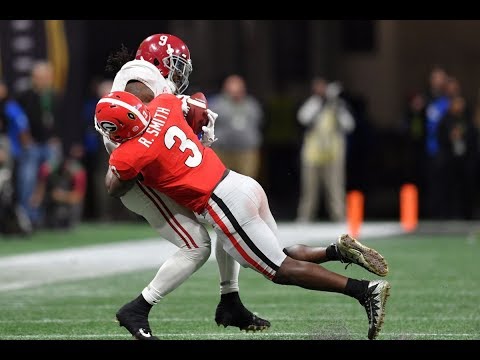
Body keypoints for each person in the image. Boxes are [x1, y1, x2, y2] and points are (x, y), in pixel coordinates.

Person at [95, 90, 391, 340]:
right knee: (276, 254)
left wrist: (115, 145)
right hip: (240, 182)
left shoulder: (129, 153)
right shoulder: (163, 103)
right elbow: (197, 102)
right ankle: (336, 251)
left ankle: (364, 291)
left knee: (280, 269)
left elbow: (114, 187)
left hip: (221, 203)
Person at [97, 34, 271, 339]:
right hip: (140, 181)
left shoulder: (149, 81)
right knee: (196, 246)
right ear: (155, 61)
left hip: (155, 168)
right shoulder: (139, 76)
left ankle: (230, 300)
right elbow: (145, 120)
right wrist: (184, 108)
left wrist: (186, 115)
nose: (179, 73)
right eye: (175, 66)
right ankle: (137, 308)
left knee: (223, 216)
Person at [296, 78, 355, 223]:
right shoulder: (312, 103)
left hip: (333, 154)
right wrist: (320, 103)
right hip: (312, 154)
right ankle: (305, 217)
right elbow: (303, 118)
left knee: (335, 188)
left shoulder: (337, 105)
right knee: (309, 189)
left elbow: (349, 125)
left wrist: (336, 105)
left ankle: (339, 217)